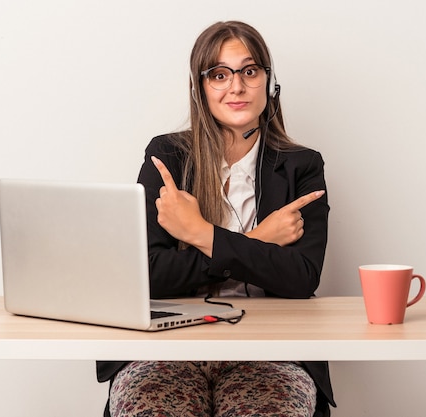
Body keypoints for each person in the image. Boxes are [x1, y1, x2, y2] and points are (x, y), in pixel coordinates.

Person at [97, 20, 335, 417]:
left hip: (269, 350)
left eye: (249, 71)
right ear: (200, 87)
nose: (236, 87)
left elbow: (301, 277)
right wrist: (260, 240)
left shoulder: (302, 166)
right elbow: (147, 274)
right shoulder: (168, 158)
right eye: (219, 75)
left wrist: (199, 233)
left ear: (269, 82)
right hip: (165, 350)